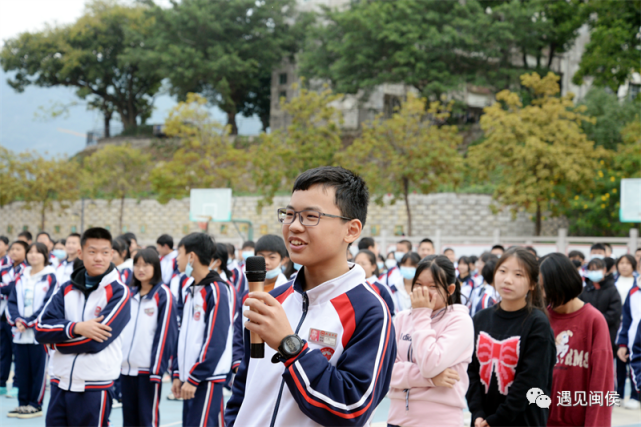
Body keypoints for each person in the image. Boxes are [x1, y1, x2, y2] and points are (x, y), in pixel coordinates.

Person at [225, 166, 395, 427]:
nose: (293, 226)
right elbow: (244, 389)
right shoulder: (275, 298)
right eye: (290, 214)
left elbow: (350, 409)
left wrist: (290, 345)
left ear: (351, 230)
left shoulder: (370, 311)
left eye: (310, 217)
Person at [35, 227, 131, 427]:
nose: (99, 258)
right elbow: (41, 329)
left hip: (95, 387)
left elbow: (96, 342)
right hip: (60, 382)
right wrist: (76, 327)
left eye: (105, 252)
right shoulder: (66, 288)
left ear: (112, 254)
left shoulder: (119, 292)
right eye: (92, 251)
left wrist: (57, 344)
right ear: (81, 253)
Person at [466, 247, 555, 427]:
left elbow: (530, 381)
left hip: (522, 421)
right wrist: (477, 413)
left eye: (518, 275)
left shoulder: (537, 324)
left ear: (532, 284)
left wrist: (497, 420)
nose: (508, 280)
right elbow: (471, 371)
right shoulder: (480, 319)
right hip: (482, 421)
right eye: (503, 271)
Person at [388, 255, 473, 427]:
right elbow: (386, 371)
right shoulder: (402, 319)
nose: (423, 291)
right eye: (418, 284)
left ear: (449, 289)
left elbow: (430, 364)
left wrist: (421, 314)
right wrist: (431, 380)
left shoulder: (460, 321)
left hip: (439, 421)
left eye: (433, 286)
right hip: (397, 420)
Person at [541, 253, 614, 426]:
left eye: (547, 288)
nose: (543, 295)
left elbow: (601, 384)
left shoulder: (593, 320)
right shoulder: (541, 319)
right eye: (540, 288)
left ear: (562, 284)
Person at [171, 233, 232, 427]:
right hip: (190, 378)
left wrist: (195, 376)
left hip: (206, 379)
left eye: (179, 253)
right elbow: (182, 335)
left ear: (191, 257)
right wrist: (177, 373)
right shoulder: (190, 289)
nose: (176, 259)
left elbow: (216, 339)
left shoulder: (217, 290)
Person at [121, 248, 177, 427]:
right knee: (129, 420)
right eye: (137, 264)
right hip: (125, 369)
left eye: (146, 264)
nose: (140, 269)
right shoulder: (129, 294)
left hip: (148, 371)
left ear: (156, 267)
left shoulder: (163, 295)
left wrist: (157, 369)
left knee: (147, 420)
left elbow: (166, 334)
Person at [5, 242, 57, 418]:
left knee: (38, 370)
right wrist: (17, 320)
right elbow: (11, 301)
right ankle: (23, 403)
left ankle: (35, 404)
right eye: (31, 252)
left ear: (45, 255)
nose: (34, 255)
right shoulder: (21, 276)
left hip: (38, 334)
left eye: (38, 252)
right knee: (21, 369)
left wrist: (28, 322)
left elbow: (48, 305)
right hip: (19, 333)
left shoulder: (50, 277)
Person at [0, 240, 28, 398]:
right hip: (2, 315)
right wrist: (6, 288)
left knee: (18, 353)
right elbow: (8, 288)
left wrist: (5, 288)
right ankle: (2, 383)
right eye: (13, 249)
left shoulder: (26, 269)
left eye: (18, 249)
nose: (14, 252)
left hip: (16, 316)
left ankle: (18, 384)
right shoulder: (4, 269)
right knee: (3, 352)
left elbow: (13, 288)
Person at [579, 258, 622, 358]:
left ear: (604, 270)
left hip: (607, 332)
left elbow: (615, 312)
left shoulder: (612, 289)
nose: (594, 272)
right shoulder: (585, 290)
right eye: (591, 269)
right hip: (586, 332)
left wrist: (596, 320)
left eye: (597, 269)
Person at [615, 254, 640, 409]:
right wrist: (623, 343)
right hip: (633, 342)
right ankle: (634, 396)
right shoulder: (634, 291)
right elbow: (627, 319)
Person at [354, 249, 395, 317]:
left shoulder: (382, 288)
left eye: (363, 264)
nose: (359, 266)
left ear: (373, 267)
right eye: (357, 263)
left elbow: (391, 313)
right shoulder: (350, 286)